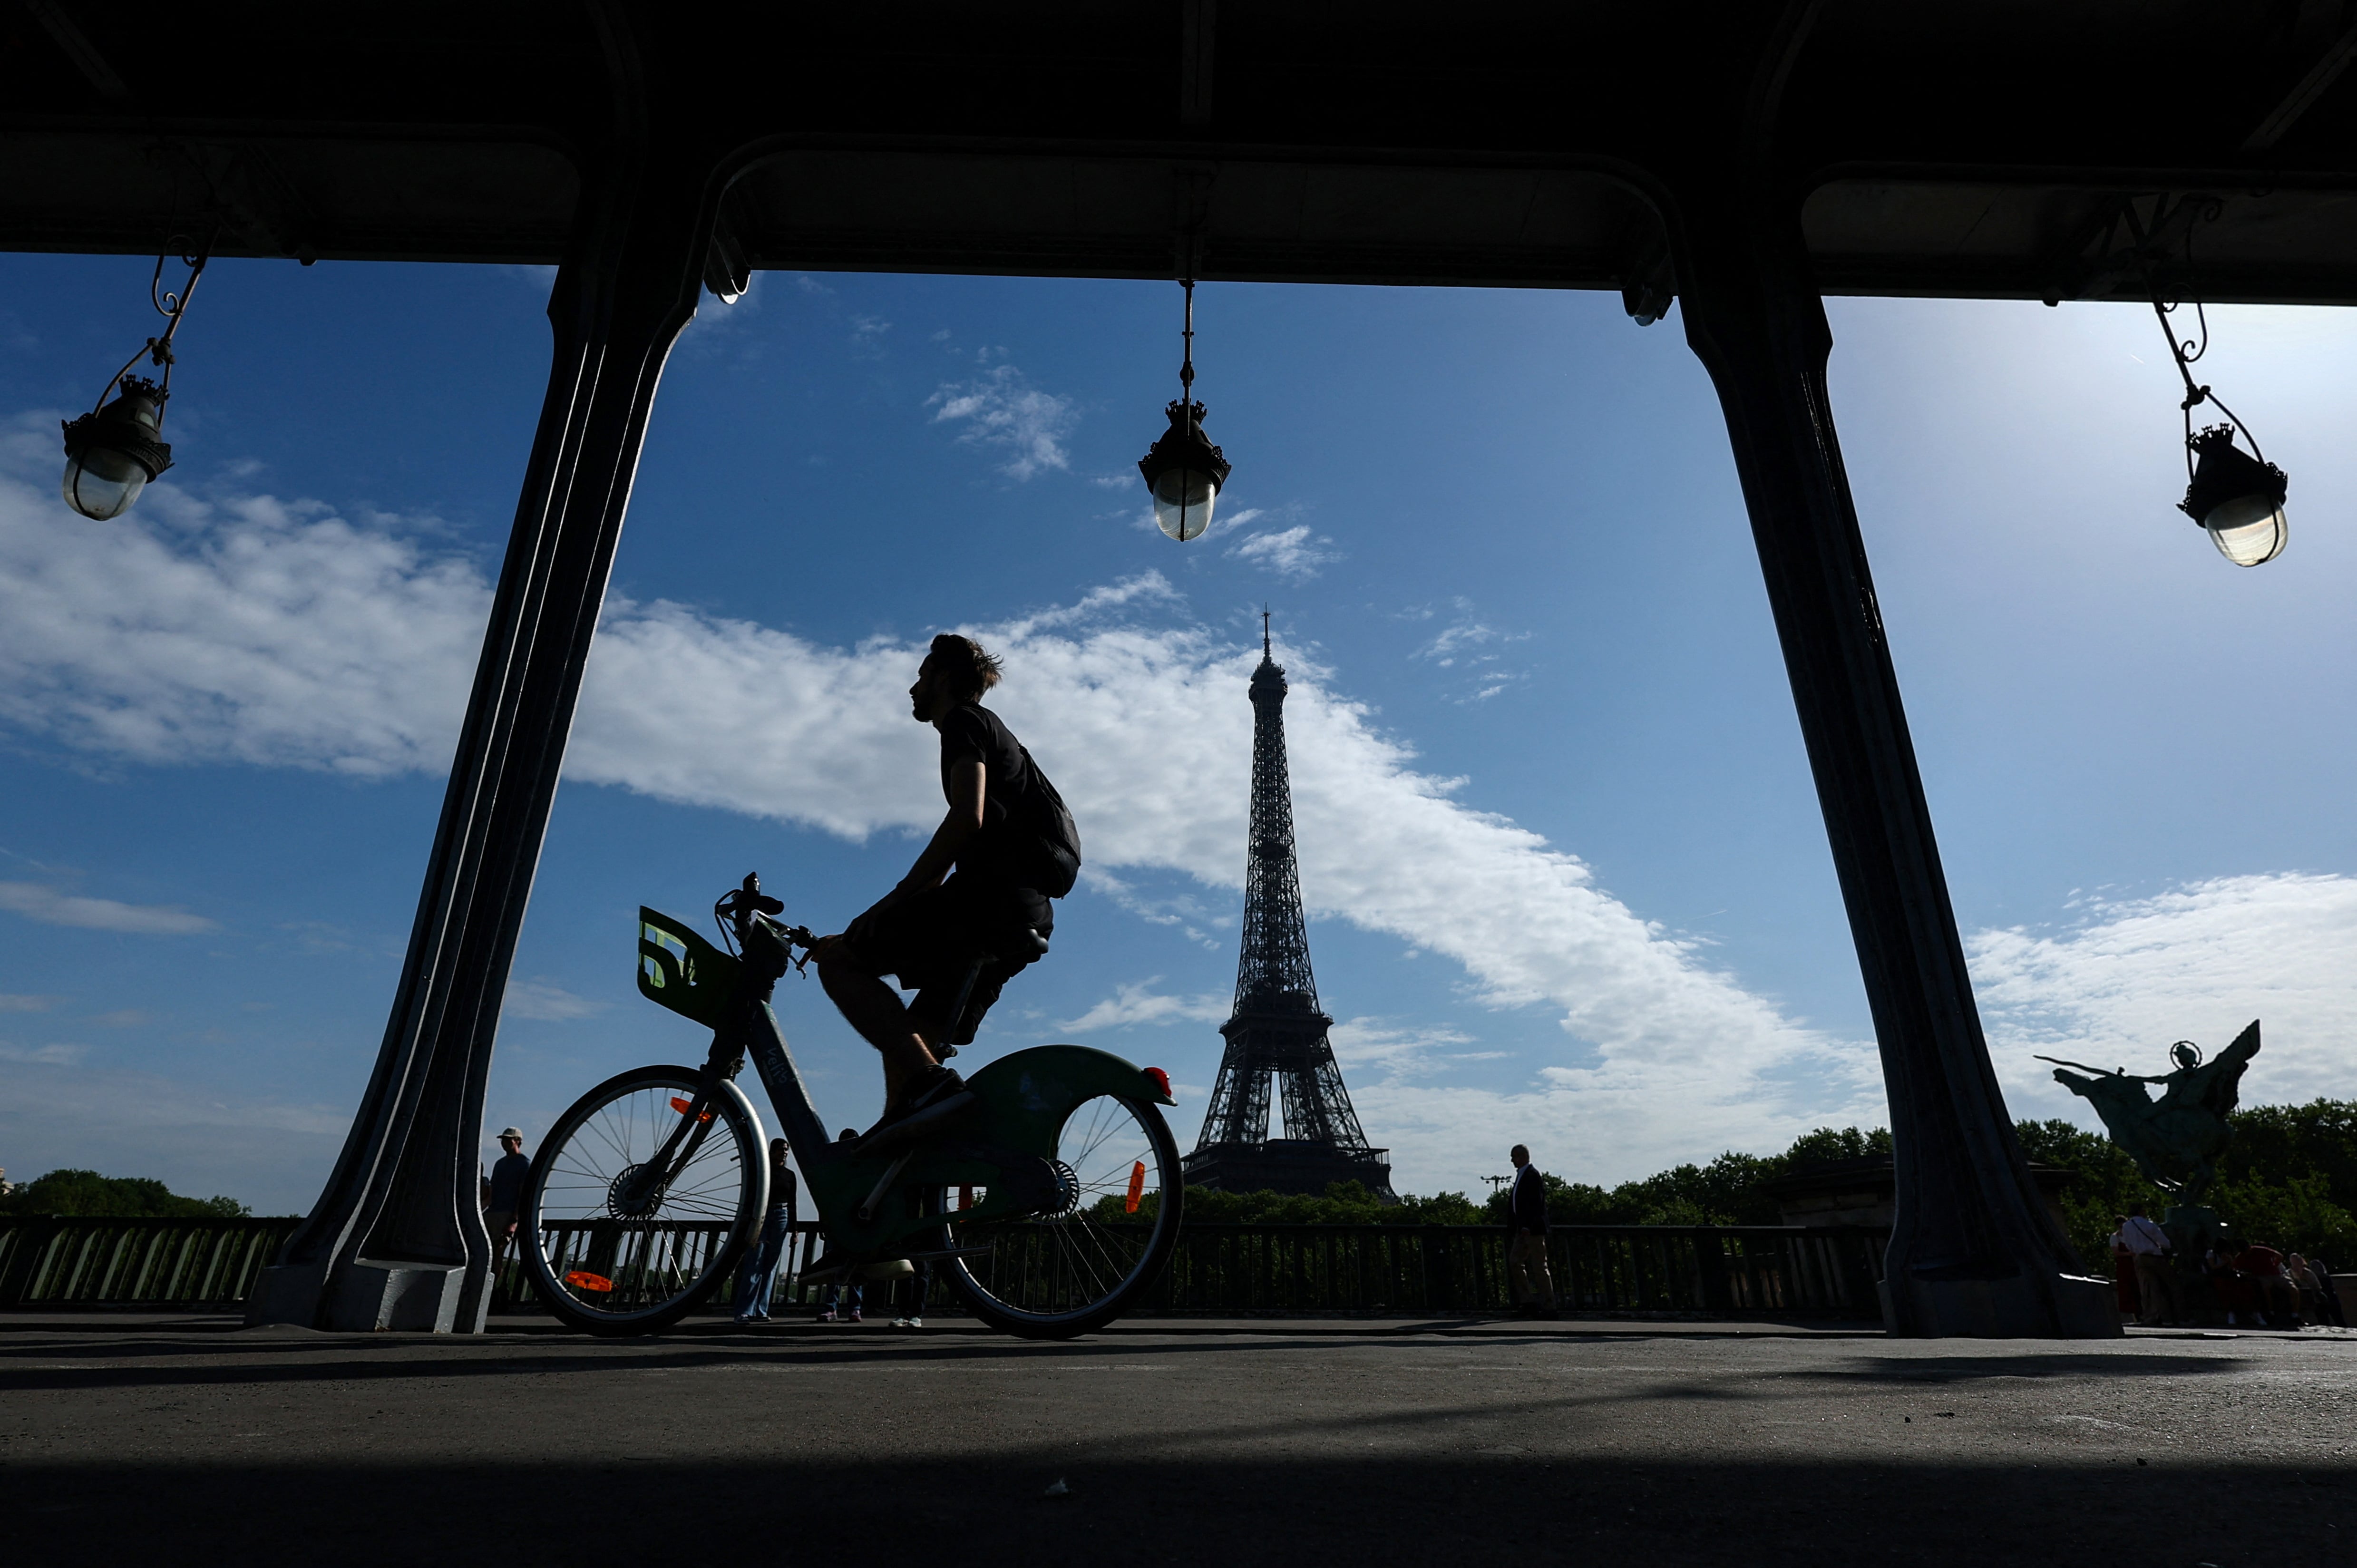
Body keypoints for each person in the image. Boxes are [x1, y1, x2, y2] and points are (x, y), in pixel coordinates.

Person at [814, 634, 1076, 1140]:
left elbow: (967, 817)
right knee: (912, 1045)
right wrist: (904, 901)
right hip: (1026, 914)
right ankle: (905, 1164)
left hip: (987, 904)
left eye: (922, 675)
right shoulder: (1001, 736)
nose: (914, 687)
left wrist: (888, 904)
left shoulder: (964, 722)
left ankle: (933, 1089)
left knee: (841, 961)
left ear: (945, 679)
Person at [733, 1137, 799, 1325]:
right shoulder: (764, 1172)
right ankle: (745, 1311)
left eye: (786, 1150)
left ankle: (761, 1310)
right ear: (772, 1152)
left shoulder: (790, 1175)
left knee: (771, 1266)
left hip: (782, 1215)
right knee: (755, 1262)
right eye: (781, 1149)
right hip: (763, 1214)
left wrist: (794, 1231)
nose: (784, 1153)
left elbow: (792, 1203)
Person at [1505, 1144, 1557, 1320]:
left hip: (1532, 1230)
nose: (1512, 1160)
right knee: (1515, 1262)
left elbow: (1536, 1203)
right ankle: (1528, 1302)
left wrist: (1527, 1225)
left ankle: (1549, 1306)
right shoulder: (1523, 1175)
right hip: (1523, 1230)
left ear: (1522, 1157)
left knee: (1539, 1266)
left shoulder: (1532, 1175)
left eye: (1514, 1156)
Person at [2111, 1204, 2180, 1326]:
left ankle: (2151, 1316)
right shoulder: (2149, 1225)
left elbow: (2128, 1244)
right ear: (2142, 1211)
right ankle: (2172, 1316)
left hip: (2139, 1258)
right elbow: (2165, 1243)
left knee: (2147, 1288)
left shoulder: (2127, 1227)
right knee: (2170, 1285)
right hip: (2155, 1257)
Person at [483, 1127, 530, 1275]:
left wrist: (514, 1221)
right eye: (503, 1140)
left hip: (506, 1214)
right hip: (492, 1212)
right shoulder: (500, 1163)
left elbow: (523, 1195)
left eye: (507, 1140)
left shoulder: (524, 1164)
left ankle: (492, 1289)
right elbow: (492, 1191)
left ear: (517, 1141)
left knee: (497, 1253)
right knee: (484, 1252)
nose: (504, 1143)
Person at [2235, 1239, 2301, 1327]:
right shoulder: (2240, 1257)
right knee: (2266, 1288)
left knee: (2293, 1289)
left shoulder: (2260, 1250)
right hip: (2262, 1276)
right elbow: (2235, 1267)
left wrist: (2275, 1265)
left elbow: (2280, 1256)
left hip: (2276, 1274)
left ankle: (2295, 1315)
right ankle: (2271, 1312)